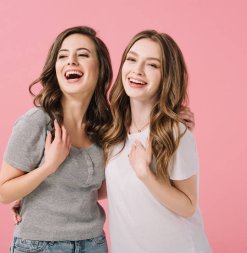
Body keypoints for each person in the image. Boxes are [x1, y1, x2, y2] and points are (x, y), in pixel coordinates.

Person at [0, 26, 112, 253]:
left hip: (93, 243)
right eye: (63, 56)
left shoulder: (106, 127)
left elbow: (95, 188)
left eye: (82, 54)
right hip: (40, 245)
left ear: (100, 68)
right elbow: (4, 192)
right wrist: (48, 167)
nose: (71, 61)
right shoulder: (36, 122)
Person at [103, 30, 212, 252]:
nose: (137, 70)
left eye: (152, 65)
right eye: (131, 59)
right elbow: (102, 188)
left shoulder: (175, 132)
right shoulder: (112, 131)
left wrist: (146, 174)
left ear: (167, 77)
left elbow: (188, 206)